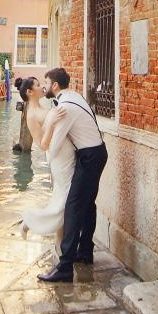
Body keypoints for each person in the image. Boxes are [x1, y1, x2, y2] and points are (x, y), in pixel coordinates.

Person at [37, 66, 107, 283]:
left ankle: (65, 266)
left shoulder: (64, 107)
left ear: (55, 85)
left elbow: (54, 146)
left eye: (46, 83)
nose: (45, 86)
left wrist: (49, 125)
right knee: (88, 204)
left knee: (73, 206)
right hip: (97, 153)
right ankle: (85, 252)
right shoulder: (75, 96)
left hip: (89, 157)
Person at [17, 77, 72, 256]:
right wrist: (52, 122)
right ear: (29, 93)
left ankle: (59, 244)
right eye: (38, 85)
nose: (42, 87)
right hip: (57, 158)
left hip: (65, 153)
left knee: (62, 200)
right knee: (64, 200)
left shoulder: (42, 107)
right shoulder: (31, 115)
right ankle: (30, 221)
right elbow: (41, 144)